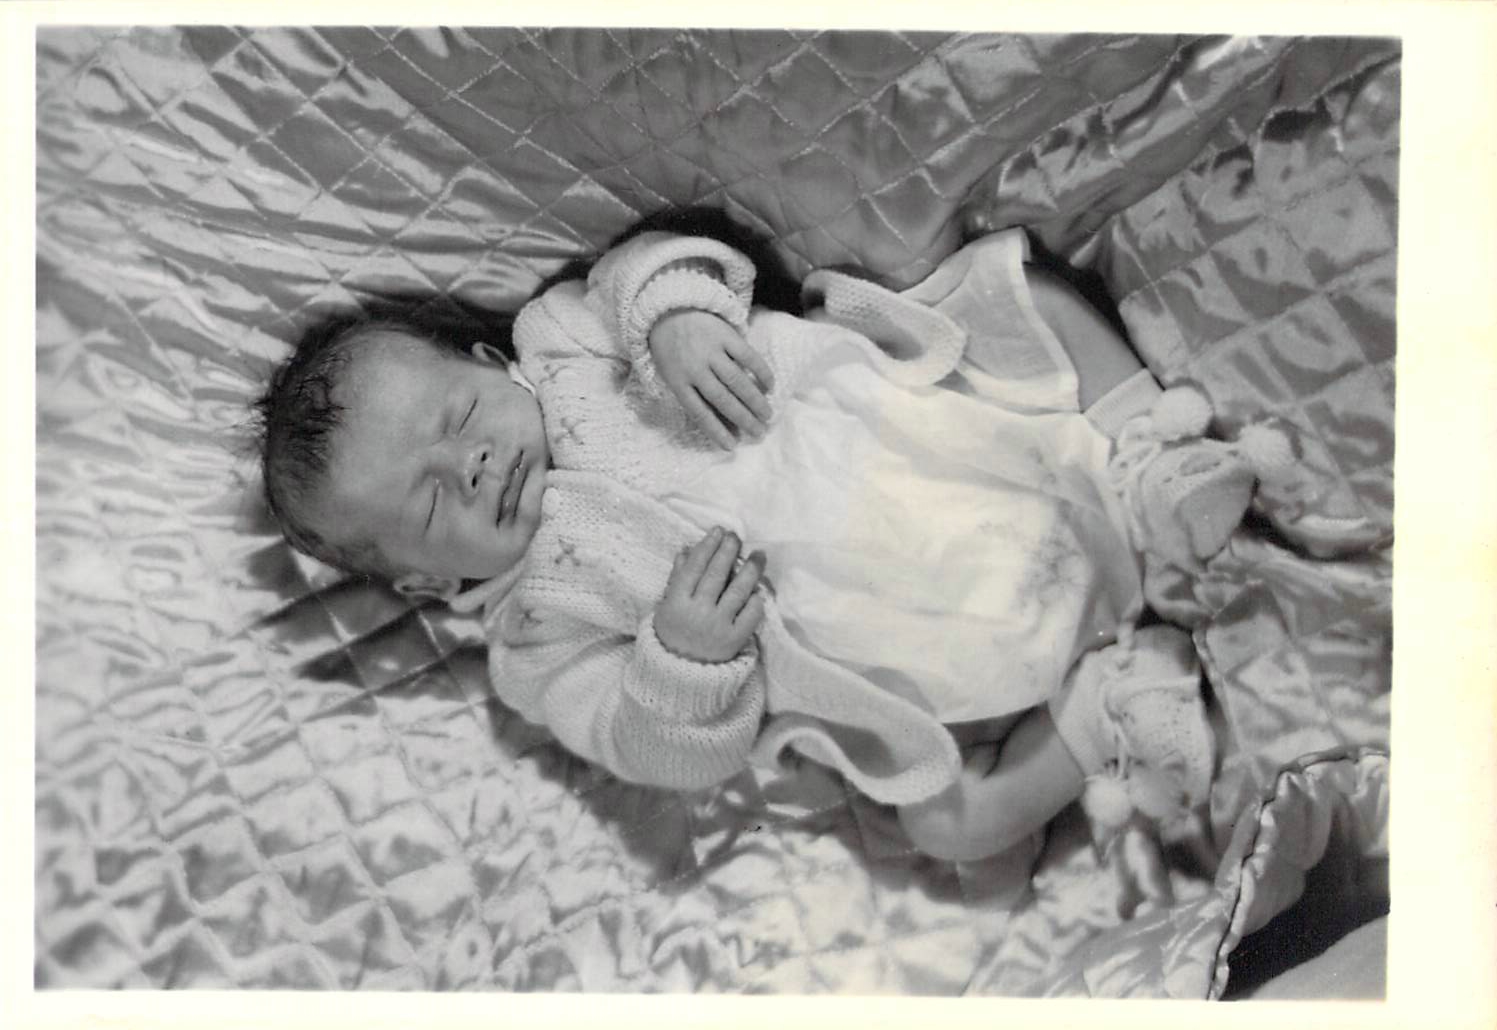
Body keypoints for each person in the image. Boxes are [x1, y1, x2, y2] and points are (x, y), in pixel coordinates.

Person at [255, 223, 1291, 862]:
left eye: (459, 417)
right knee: (948, 824)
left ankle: (1144, 455)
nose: (474, 465)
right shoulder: (533, 641)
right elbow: (646, 746)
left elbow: (650, 264)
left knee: (1022, 295)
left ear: (488, 360)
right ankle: (1106, 705)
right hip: (879, 629)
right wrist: (680, 660)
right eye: (431, 502)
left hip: (886, 444)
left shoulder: (558, 340)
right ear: (428, 582)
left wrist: (674, 320)